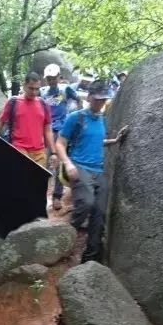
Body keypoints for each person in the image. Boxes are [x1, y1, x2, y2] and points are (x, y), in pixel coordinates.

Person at [56, 80, 128, 263]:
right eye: (97, 99)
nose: (100, 103)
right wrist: (68, 163)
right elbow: (60, 143)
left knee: (100, 213)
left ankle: (90, 258)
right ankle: (64, 236)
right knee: (86, 203)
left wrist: (115, 141)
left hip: (98, 170)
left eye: (103, 100)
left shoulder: (102, 121)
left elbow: (96, 142)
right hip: (79, 166)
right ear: (88, 97)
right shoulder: (76, 118)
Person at [0, 71, 57, 168]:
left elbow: (47, 129)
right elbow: (0, 123)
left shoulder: (43, 104)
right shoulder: (13, 102)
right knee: (21, 181)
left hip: (39, 153)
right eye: (31, 88)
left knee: (37, 182)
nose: (34, 92)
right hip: (19, 149)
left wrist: (53, 153)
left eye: (37, 89)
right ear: (24, 85)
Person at [40, 63, 81, 211]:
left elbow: (78, 100)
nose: (51, 81)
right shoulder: (42, 92)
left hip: (62, 130)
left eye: (54, 78)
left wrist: (74, 115)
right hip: (47, 130)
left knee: (59, 161)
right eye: (49, 78)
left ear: (59, 77)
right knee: (45, 161)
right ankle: (40, 195)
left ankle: (57, 196)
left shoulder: (66, 89)